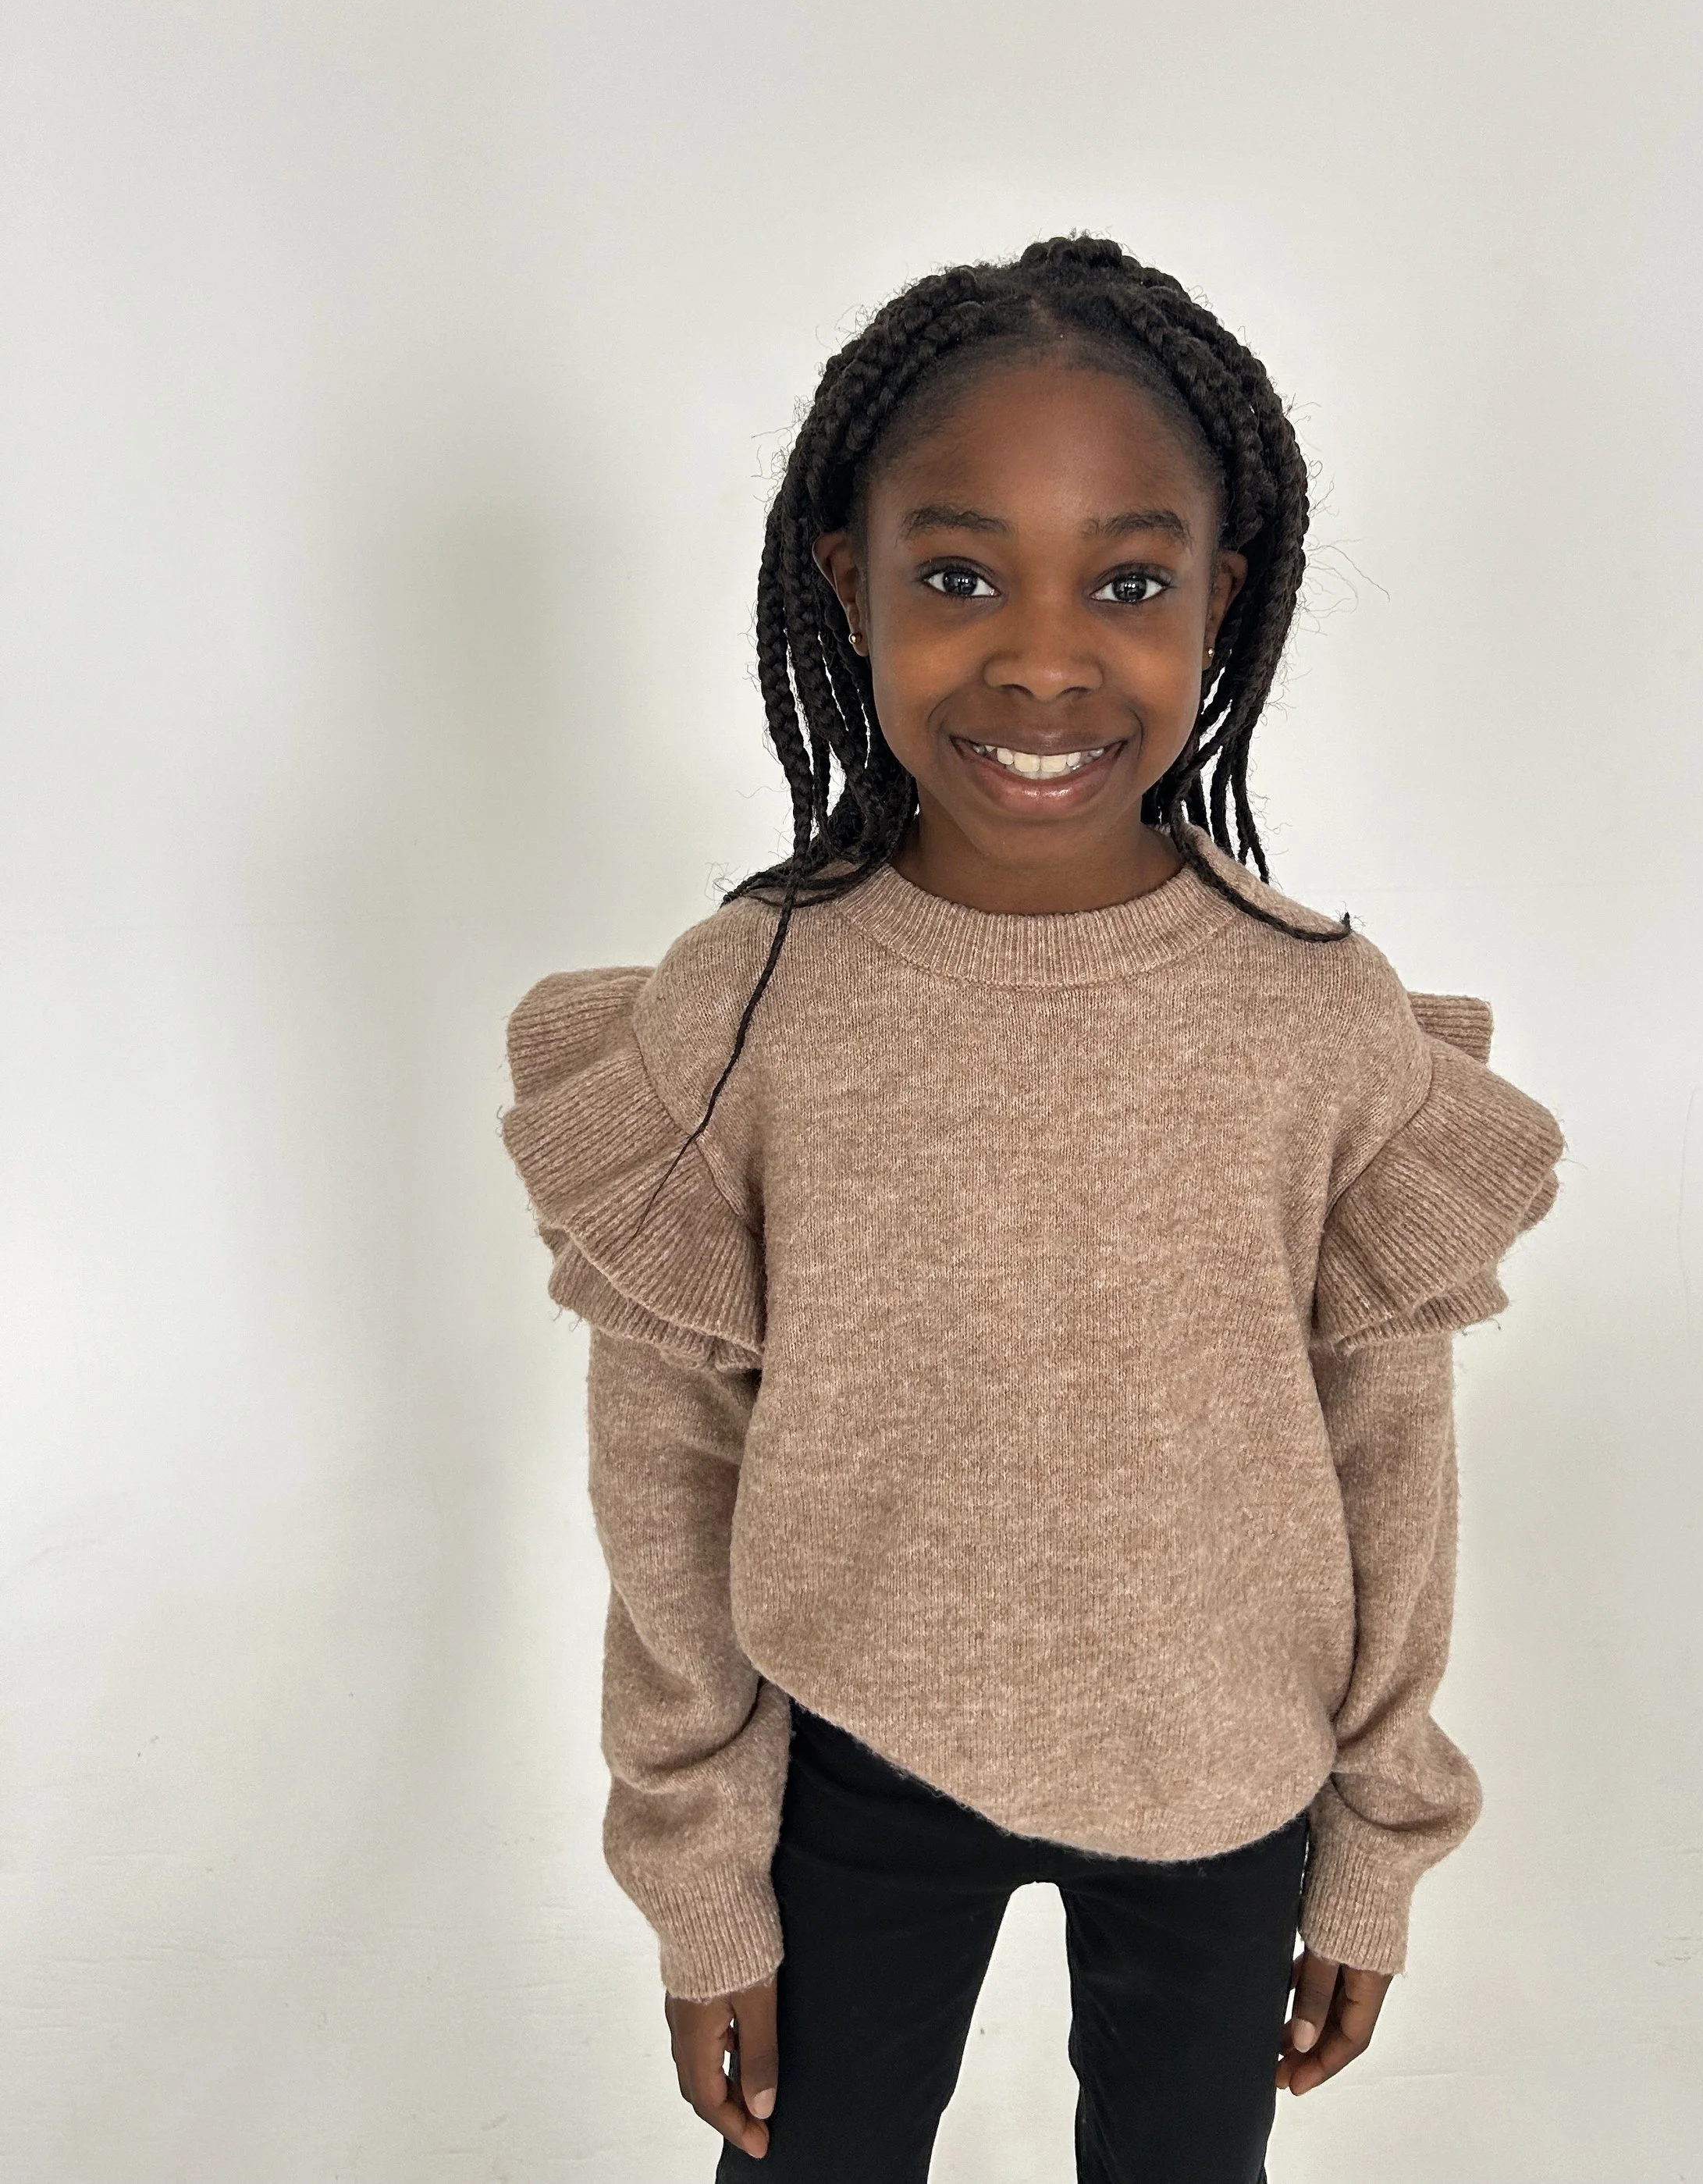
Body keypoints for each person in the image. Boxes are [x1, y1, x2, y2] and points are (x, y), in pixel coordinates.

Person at [500, 235, 1565, 2182]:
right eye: (961, 572)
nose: (1043, 656)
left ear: (1222, 599)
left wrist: (1377, 1838)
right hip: (848, 1765)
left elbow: (1385, 1453)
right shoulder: (746, 1006)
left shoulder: (1313, 1013)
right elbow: (664, 1468)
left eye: (1130, 580)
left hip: (1224, 1780)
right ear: (850, 578)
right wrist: (700, 1878)